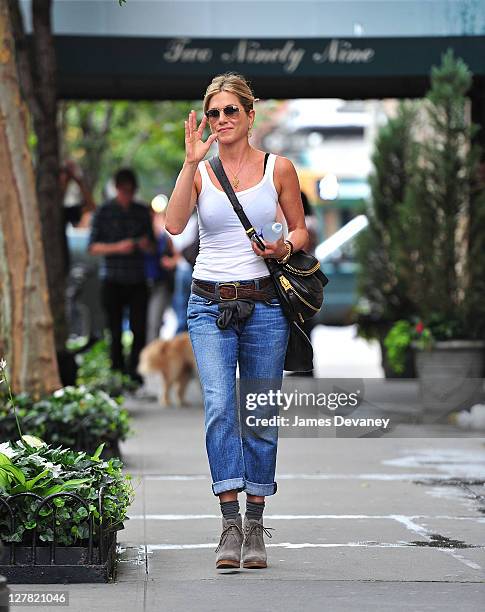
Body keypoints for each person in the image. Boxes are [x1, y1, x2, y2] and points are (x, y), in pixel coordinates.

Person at [165, 73, 308, 570]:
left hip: (266, 305)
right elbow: (174, 224)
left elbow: (301, 228)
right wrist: (188, 163)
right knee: (221, 407)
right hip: (208, 304)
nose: (221, 120)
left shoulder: (279, 169)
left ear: (250, 115)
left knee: (259, 414)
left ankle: (255, 525)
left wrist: (284, 247)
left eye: (231, 111)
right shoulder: (201, 172)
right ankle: (229, 524)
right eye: (214, 113)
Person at [88, 168, 156, 384]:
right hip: (112, 278)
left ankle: (135, 372)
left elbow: (153, 246)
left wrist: (144, 246)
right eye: (124, 190)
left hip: (137, 278)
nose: (127, 194)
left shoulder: (142, 211)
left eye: (131, 190)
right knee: (114, 329)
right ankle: (116, 371)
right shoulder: (104, 211)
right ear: (116, 188)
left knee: (139, 328)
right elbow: (93, 247)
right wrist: (118, 247)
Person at [144, 208, 178, 343]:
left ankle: (151, 358)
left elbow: (176, 257)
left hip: (159, 283)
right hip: (141, 283)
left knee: (154, 322)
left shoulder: (164, 238)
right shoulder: (141, 238)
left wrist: (170, 262)